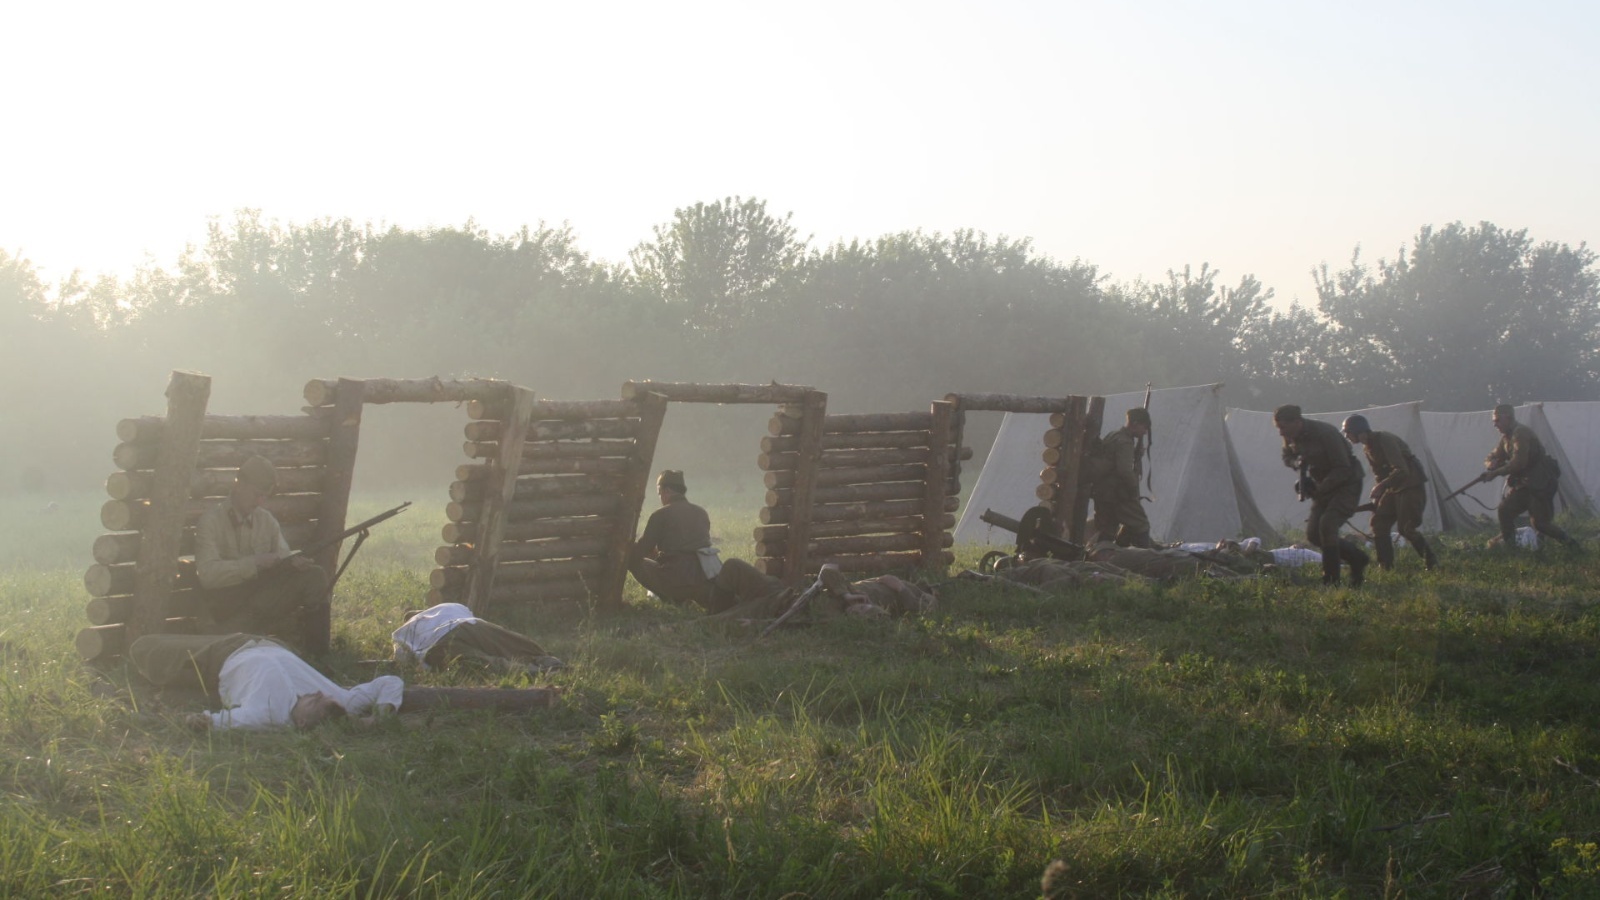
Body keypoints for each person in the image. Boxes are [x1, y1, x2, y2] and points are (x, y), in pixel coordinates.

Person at [128, 632, 402, 730]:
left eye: (315, 703)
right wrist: (382, 713)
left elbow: (216, 722)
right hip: (271, 642)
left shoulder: (268, 715)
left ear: (303, 723)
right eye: (323, 696)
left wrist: (201, 720)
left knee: (147, 646)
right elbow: (390, 682)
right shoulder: (342, 702)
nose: (319, 693)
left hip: (223, 654)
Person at [194, 455, 330, 652]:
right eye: (256, 494)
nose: (259, 501)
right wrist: (254, 563)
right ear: (238, 485)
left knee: (315, 576)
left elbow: (284, 558)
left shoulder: (266, 521)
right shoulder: (211, 522)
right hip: (228, 613)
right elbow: (208, 576)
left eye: (264, 496)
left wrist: (294, 565)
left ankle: (319, 657)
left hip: (262, 606)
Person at [627, 469, 772, 613]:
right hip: (704, 577)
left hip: (675, 578)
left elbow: (642, 550)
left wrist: (626, 552)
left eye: (660, 493)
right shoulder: (701, 512)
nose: (660, 498)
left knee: (632, 560)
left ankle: (673, 598)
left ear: (667, 491)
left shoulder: (659, 515)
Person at [1274, 405, 1371, 586]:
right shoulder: (1291, 435)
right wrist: (1297, 462)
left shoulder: (1326, 433)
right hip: (1322, 485)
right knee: (1313, 535)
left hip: (1346, 484)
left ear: (1297, 422)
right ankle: (1357, 557)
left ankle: (1331, 580)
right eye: (1278, 428)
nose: (1281, 433)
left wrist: (1321, 489)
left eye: (1283, 427)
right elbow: (1287, 456)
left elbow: (1343, 467)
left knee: (1328, 525)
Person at [1341, 414, 1439, 571]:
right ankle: (1385, 567)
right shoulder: (1368, 447)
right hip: (1393, 487)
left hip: (1410, 485)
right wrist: (1379, 494)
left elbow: (1402, 470)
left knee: (1406, 528)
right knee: (1379, 523)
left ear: (1358, 431)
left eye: (1348, 432)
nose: (1347, 436)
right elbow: (1379, 474)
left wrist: (1380, 487)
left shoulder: (1385, 439)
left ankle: (1431, 563)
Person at [1483, 404, 1581, 551]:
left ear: (1507, 418)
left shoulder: (1520, 433)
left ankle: (1572, 545)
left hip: (1539, 483)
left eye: (1497, 420)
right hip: (1524, 485)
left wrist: (1495, 473)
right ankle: (1511, 548)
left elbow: (1519, 463)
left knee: (1540, 523)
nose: (1494, 424)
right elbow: (1492, 456)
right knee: (1505, 511)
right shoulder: (1506, 438)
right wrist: (1492, 464)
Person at [392, 603, 565, 674]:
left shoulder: (403, 631)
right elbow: (471, 615)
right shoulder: (447, 606)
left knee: (484, 662)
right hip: (469, 625)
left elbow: (402, 658)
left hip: (439, 645)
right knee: (512, 644)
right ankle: (545, 659)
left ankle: (531, 672)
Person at [1085, 408, 1155, 548]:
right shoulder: (1125, 442)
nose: (1145, 432)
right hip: (1118, 494)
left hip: (1102, 493)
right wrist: (1134, 487)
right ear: (1135, 423)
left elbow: (1111, 459)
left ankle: (1103, 557)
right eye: (1144, 427)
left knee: (1108, 529)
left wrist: (1136, 455)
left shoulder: (1114, 435)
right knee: (1141, 524)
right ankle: (1142, 560)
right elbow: (1124, 471)